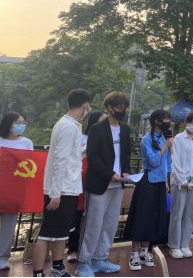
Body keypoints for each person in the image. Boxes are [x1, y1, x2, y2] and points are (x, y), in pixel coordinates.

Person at [32, 89, 93, 278]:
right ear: (86, 105)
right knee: (47, 233)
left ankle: (58, 268)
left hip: (68, 188)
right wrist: (55, 193)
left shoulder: (70, 124)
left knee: (61, 233)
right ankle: (37, 273)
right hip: (62, 190)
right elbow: (60, 161)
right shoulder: (67, 126)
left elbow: (69, 157)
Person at [77, 92, 131, 277]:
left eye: (125, 108)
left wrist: (125, 171)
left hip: (118, 185)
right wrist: (109, 174)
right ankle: (84, 262)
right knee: (93, 224)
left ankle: (100, 259)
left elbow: (127, 154)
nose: (122, 111)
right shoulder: (97, 129)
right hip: (100, 184)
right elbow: (92, 157)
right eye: (119, 108)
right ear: (109, 108)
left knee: (110, 224)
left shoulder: (125, 129)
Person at [123, 109, 173, 272]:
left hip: (160, 181)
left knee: (154, 216)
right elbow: (152, 161)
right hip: (147, 181)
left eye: (168, 119)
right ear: (156, 121)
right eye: (165, 119)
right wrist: (165, 146)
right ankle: (134, 254)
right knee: (141, 216)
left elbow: (166, 162)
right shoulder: (146, 139)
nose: (168, 122)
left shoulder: (165, 138)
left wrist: (166, 180)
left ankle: (145, 252)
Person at [67, 111, 107, 264]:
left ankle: (91, 250)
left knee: (94, 217)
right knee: (76, 216)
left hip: (98, 180)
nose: (106, 122)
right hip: (80, 179)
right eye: (102, 119)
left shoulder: (108, 139)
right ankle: (73, 249)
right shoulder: (82, 138)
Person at [168, 112, 193, 260]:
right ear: (185, 123)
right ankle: (174, 246)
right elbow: (175, 160)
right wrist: (182, 179)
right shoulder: (178, 138)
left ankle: (185, 244)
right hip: (180, 182)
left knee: (190, 214)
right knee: (177, 214)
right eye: (191, 122)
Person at [0, 112, 34, 271]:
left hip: (14, 191)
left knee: (9, 224)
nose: (21, 125)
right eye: (18, 122)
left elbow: (32, 165)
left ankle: (2, 257)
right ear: (9, 124)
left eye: (23, 123)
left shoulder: (27, 143)